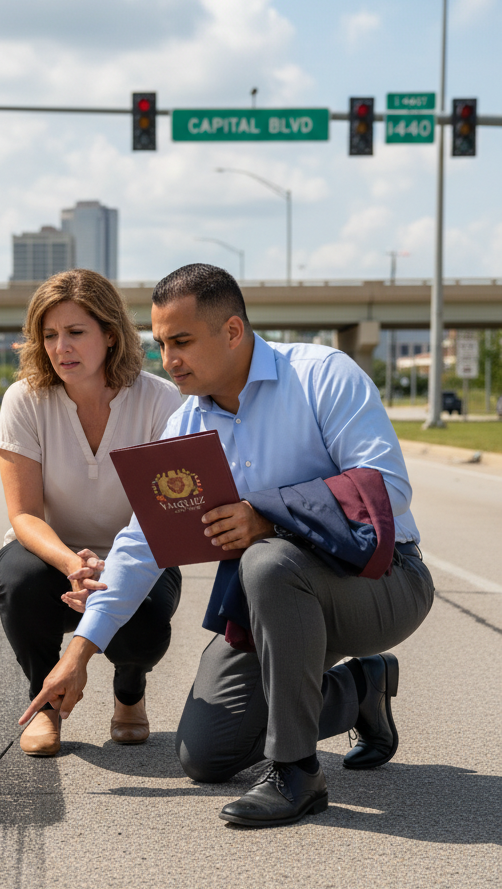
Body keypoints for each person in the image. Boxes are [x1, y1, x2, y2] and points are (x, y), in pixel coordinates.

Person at [22, 263, 435, 826]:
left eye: (183, 342)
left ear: (233, 332)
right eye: (161, 343)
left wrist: (265, 515)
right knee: (205, 754)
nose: (168, 361)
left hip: (383, 582)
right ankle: (359, 689)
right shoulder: (186, 424)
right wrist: (78, 654)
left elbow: (388, 487)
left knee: (266, 561)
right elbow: (144, 542)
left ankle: (295, 773)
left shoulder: (320, 374)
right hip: (274, 605)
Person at [0, 268, 182, 757]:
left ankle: (130, 690)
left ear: (110, 336)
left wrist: (110, 567)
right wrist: (73, 564)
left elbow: (168, 517)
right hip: (52, 555)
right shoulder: (25, 400)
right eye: (49, 335)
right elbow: (25, 514)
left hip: (138, 552)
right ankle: (46, 704)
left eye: (75, 333)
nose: (61, 348)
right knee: (19, 580)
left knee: (145, 627)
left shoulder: (161, 401)